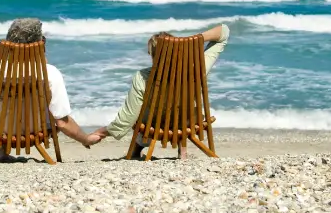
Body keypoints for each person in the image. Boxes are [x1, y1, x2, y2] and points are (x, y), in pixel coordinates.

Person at [0, 18, 101, 157]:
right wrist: (86, 139)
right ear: (39, 45)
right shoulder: (50, 72)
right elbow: (62, 122)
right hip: (37, 131)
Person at [89, 24, 230, 158]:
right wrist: (190, 41)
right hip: (187, 124)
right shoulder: (197, 67)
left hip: (154, 127)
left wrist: (101, 132)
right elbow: (224, 32)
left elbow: (128, 119)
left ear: (153, 55)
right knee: (182, 110)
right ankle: (183, 147)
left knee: (143, 112)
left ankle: (139, 145)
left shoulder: (142, 77)